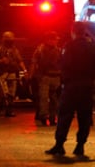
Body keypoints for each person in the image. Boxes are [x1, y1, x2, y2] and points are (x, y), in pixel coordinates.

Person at [45, 22, 95, 157]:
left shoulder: (69, 46)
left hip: (71, 86)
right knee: (84, 117)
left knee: (65, 115)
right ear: (84, 31)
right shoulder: (92, 47)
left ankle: (59, 145)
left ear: (73, 31)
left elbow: (63, 64)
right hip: (87, 86)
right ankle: (80, 146)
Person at [0, 31, 27, 117]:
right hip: (2, 73)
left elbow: (20, 60)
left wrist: (25, 71)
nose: (10, 40)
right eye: (8, 39)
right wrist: (1, 61)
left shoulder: (14, 50)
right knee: (3, 92)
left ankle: (9, 110)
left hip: (12, 73)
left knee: (11, 93)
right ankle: (0, 108)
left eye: (11, 39)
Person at [30, 31, 62, 126]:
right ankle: (44, 116)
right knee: (44, 98)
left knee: (54, 99)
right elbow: (34, 62)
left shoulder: (58, 50)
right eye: (54, 40)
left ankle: (52, 117)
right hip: (45, 77)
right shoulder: (40, 50)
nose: (56, 41)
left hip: (55, 77)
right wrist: (31, 76)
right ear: (49, 40)